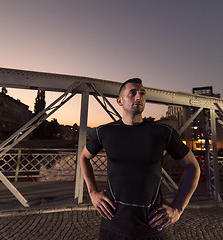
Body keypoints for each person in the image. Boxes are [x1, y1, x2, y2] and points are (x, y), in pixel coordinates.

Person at [80, 78, 200, 239]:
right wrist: (93, 192)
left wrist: (178, 208)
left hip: (151, 226)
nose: (139, 97)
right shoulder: (104, 132)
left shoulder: (163, 132)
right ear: (120, 101)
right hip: (112, 225)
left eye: (142, 93)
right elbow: (84, 157)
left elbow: (193, 167)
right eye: (133, 93)